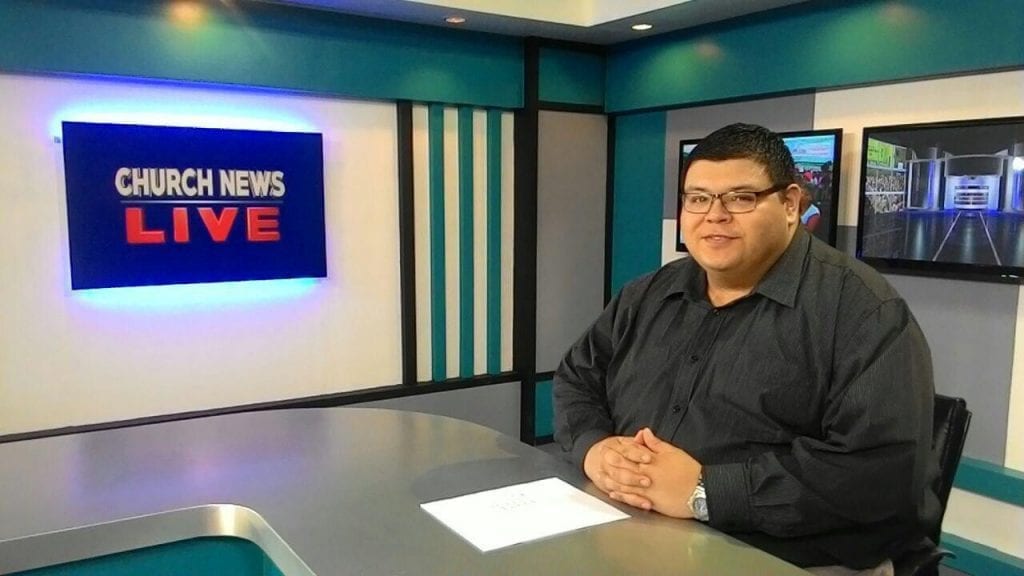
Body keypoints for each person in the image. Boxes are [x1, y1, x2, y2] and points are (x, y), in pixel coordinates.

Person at [553, 123, 938, 576]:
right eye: (697, 198)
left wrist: (705, 491)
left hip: (790, 555)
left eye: (740, 197)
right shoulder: (648, 294)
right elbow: (577, 377)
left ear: (791, 204)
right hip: (629, 526)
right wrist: (596, 449)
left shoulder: (863, 313)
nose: (714, 215)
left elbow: (878, 474)